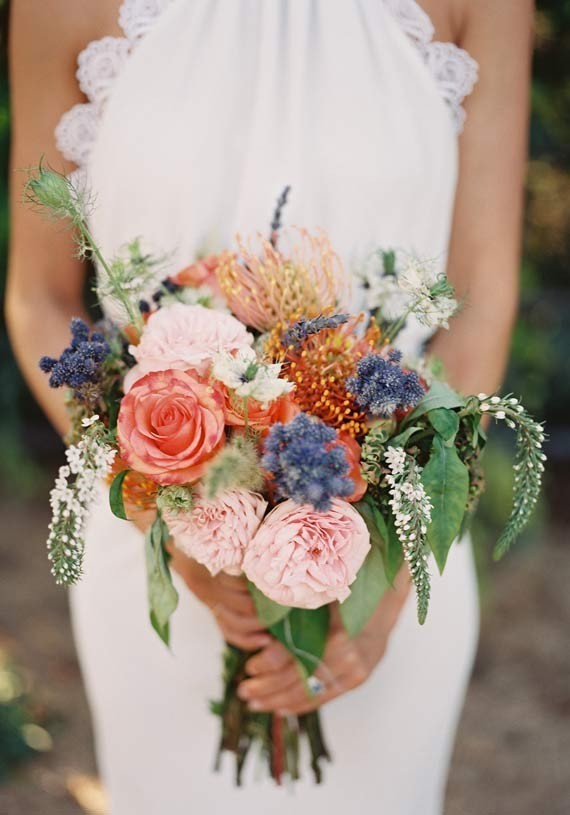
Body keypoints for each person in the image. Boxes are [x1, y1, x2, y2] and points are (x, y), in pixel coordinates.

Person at [6, 1, 533, 812]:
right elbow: (37, 298)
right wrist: (167, 513)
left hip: (393, 548)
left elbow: (483, 297)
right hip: (162, 555)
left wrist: (395, 575)